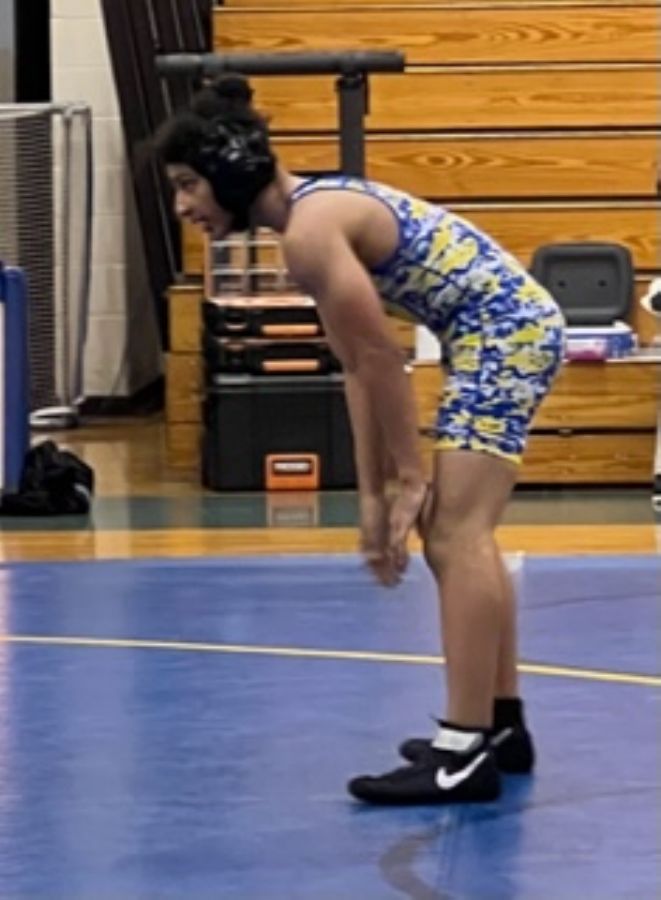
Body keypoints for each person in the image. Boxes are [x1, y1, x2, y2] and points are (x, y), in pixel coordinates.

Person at [154, 74, 566, 805]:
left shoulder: (311, 232)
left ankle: (463, 749)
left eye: (189, 185)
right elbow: (353, 364)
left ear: (230, 170)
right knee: (462, 534)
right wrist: (373, 494)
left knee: (454, 536)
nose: (184, 207)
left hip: (505, 333)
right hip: (501, 329)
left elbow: (380, 359)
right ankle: (500, 726)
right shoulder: (310, 219)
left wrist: (410, 480)